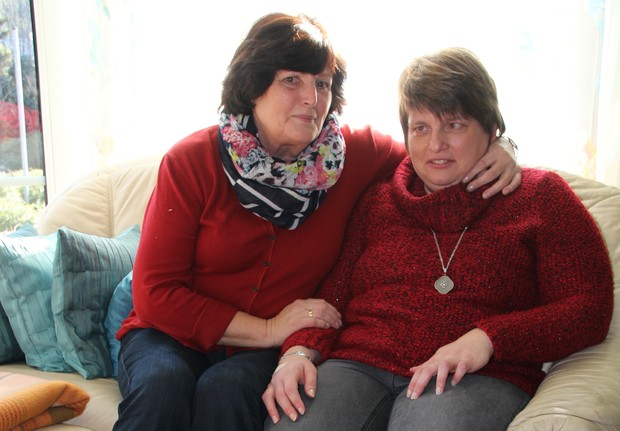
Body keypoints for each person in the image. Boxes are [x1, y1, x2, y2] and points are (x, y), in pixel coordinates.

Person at [112, 13, 521, 431]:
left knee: (227, 389)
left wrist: (502, 145)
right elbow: (155, 293)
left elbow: (436, 154)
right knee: (163, 387)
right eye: (292, 80)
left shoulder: (351, 155)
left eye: (322, 84)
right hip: (171, 334)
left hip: (264, 352)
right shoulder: (192, 161)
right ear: (253, 85)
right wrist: (269, 329)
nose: (312, 98)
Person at [262, 47, 614, 431]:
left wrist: (489, 338)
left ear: (491, 130)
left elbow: (589, 308)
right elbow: (332, 298)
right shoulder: (379, 201)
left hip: (477, 376)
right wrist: (297, 353)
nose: (435, 144)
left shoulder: (541, 196)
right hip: (358, 366)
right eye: (421, 128)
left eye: (455, 125)